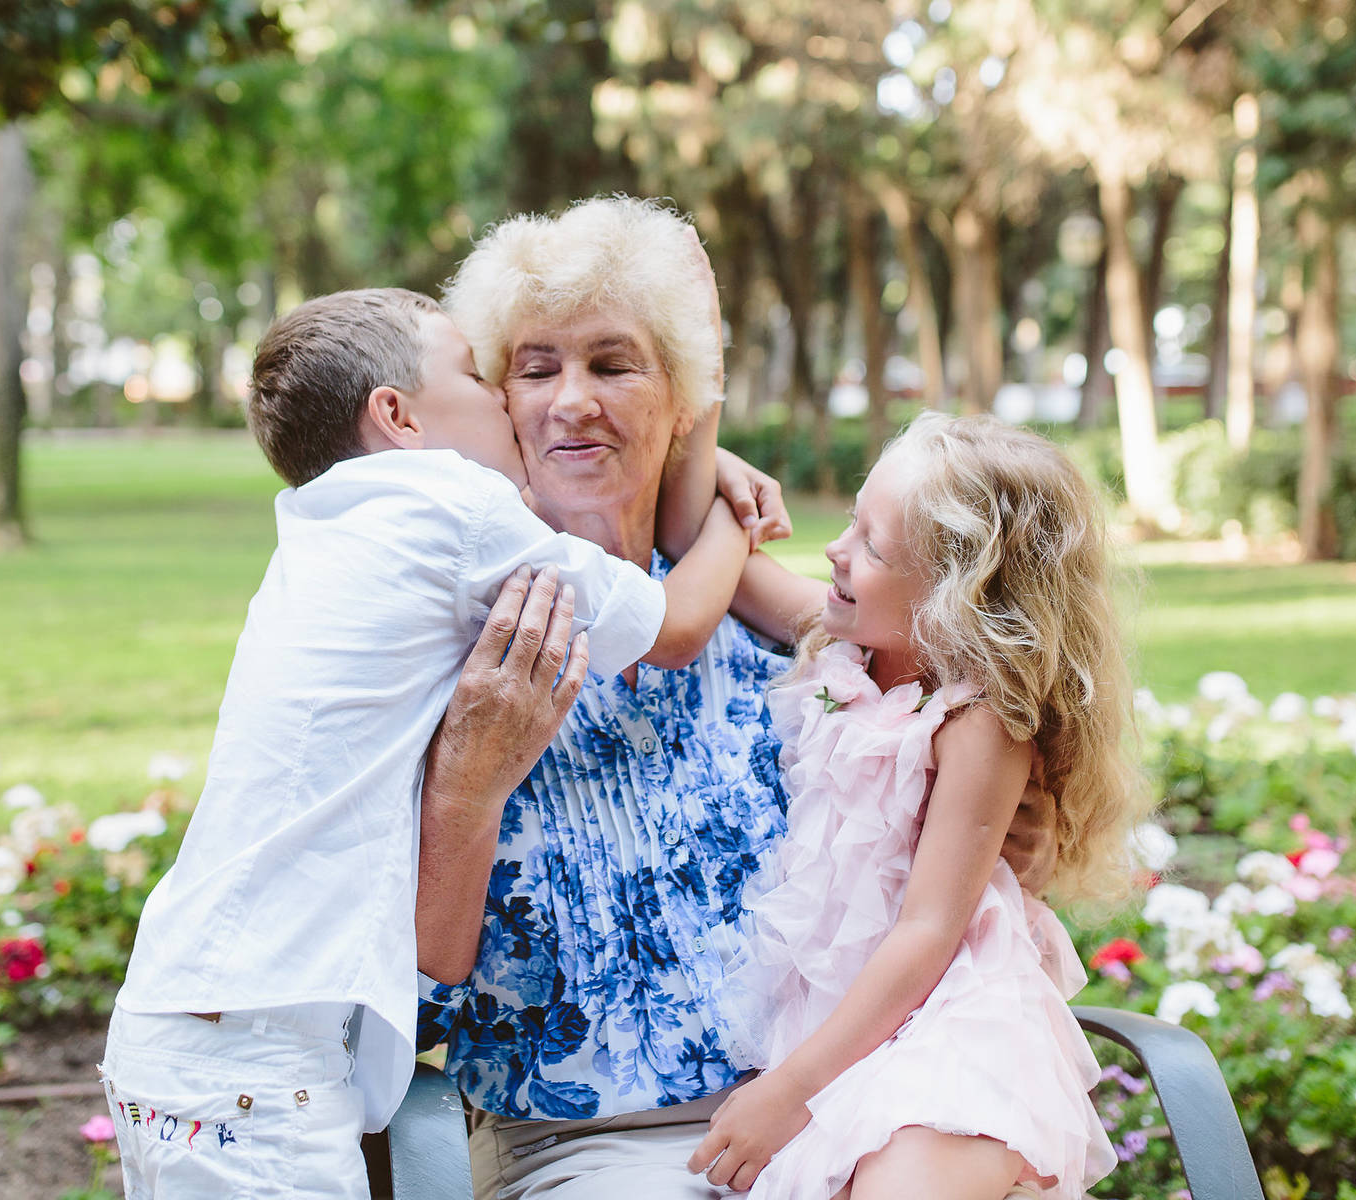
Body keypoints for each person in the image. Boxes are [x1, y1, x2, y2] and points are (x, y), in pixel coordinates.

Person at [414, 197, 1062, 1200]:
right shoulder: (455, 640)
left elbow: (979, 760)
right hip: (590, 1146)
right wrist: (467, 793)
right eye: (535, 369)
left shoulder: (781, 638)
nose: (571, 401)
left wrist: (1022, 831)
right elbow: (412, 984)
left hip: (833, 1111)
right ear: (498, 402)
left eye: (614, 365)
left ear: (682, 398)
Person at [98, 286, 755, 1199]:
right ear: (399, 417)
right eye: (484, 378)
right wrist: (729, 509)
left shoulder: (326, 528)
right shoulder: (454, 508)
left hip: (188, 1027)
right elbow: (677, 628)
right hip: (262, 1061)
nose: (504, 403)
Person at [685, 412, 1147, 1199]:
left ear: (957, 599)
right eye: (850, 522)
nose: (835, 551)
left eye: (871, 545)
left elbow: (929, 931)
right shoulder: (847, 644)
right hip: (852, 1028)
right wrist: (720, 463)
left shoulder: (977, 722)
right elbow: (708, 545)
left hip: (950, 1016)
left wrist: (788, 1090)